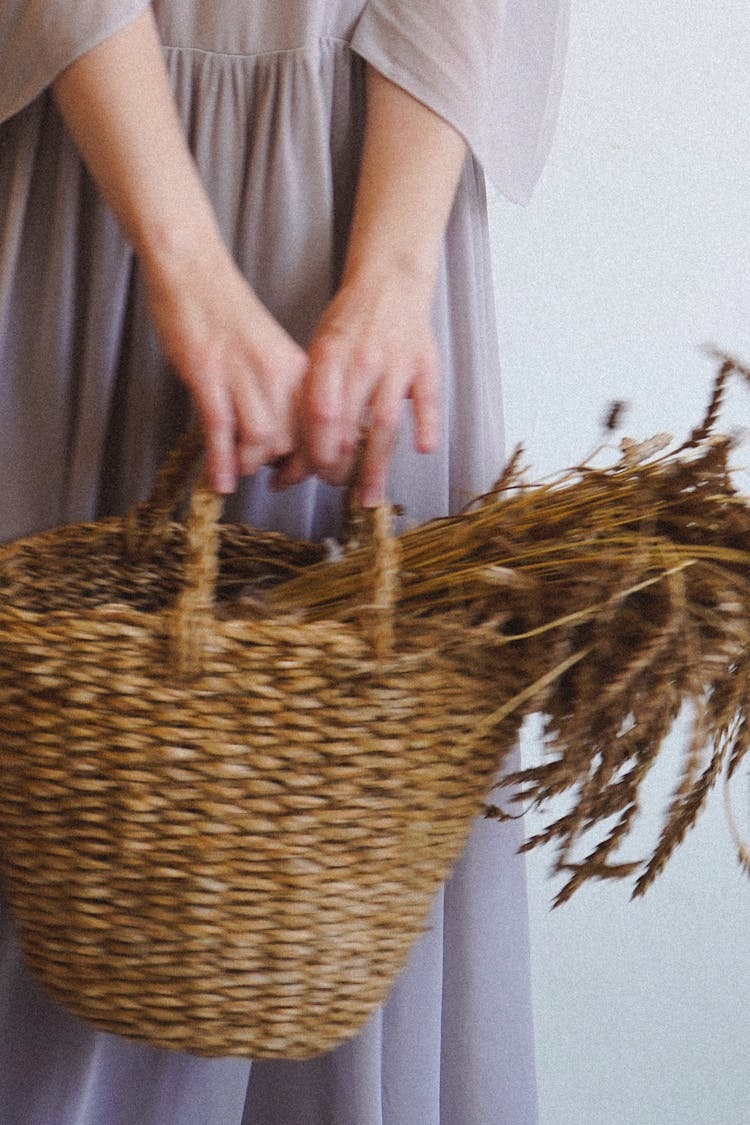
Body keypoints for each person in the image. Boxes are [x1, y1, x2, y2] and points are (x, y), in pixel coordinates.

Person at [0, 3, 569, 1123]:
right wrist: (187, 268)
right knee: (59, 800)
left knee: (340, 836)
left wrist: (395, 275)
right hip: (102, 137)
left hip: (382, 175)